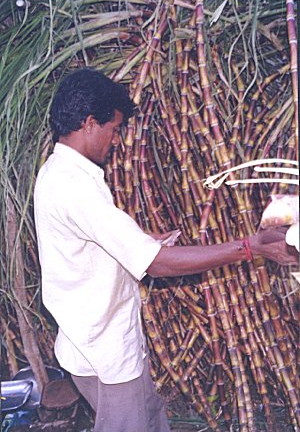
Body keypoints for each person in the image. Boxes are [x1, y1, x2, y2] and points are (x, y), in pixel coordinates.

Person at [34, 68, 298, 432]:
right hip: (104, 353)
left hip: (100, 342)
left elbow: (93, 238)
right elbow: (157, 266)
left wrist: (142, 239)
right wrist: (250, 248)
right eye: (114, 130)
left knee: (152, 416)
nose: (117, 141)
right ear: (90, 123)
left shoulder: (62, 172)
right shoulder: (74, 187)